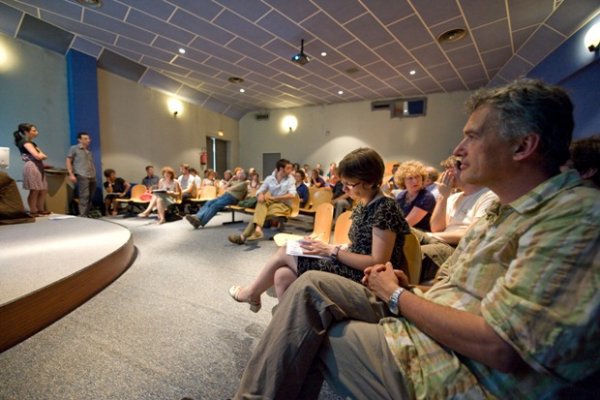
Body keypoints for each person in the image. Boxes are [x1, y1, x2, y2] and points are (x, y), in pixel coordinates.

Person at [231, 79, 599, 399]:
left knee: (297, 326)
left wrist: (396, 294)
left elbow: (501, 347)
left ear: (522, 147)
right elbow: (452, 286)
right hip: (425, 325)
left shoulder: (577, 216)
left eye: (472, 136)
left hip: (453, 372)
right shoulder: (499, 211)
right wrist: (409, 290)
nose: (458, 150)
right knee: (303, 292)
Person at [228, 148, 410, 312]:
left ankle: (252, 293)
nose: (345, 188)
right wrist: (328, 247)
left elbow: (377, 261)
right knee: (282, 275)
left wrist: (332, 250)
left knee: (286, 251)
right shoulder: (365, 203)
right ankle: (287, 326)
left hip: (366, 278)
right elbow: (359, 245)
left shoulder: (384, 208)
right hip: (352, 266)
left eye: (349, 184)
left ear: (369, 182)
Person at [414, 155, 497, 282]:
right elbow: (437, 228)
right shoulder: (453, 197)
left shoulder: (488, 195)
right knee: (404, 232)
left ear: (465, 170)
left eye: (450, 170)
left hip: (456, 247)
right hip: (440, 240)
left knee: (415, 252)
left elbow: (471, 234)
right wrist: (443, 197)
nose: (445, 175)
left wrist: (432, 236)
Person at [228, 159, 296, 244]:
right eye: (288, 168)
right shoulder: (270, 179)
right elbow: (260, 190)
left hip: (284, 205)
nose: (291, 171)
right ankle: (257, 230)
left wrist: (275, 198)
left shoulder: (290, 179)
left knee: (259, 213)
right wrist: (260, 195)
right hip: (271, 202)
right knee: (261, 202)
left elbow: (292, 195)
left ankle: (244, 236)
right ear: (281, 169)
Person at [13, 123, 49, 216]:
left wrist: (41, 156)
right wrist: (41, 156)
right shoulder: (25, 142)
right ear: (26, 132)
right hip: (32, 166)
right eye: (33, 131)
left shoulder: (32, 143)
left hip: (38, 165)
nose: (36, 132)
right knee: (35, 189)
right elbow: (38, 155)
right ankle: (33, 210)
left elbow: (43, 155)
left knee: (43, 189)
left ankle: (40, 209)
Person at [394, 160, 436, 231]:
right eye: (410, 178)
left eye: (417, 177)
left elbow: (407, 224)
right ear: (403, 181)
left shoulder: (426, 197)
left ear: (422, 178)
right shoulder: (401, 195)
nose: (415, 181)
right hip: (403, 233)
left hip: (420, 236)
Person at [66, 132, 96, 217]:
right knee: (84, 195)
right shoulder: (74, 148)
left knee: (91, 195)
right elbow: (68, 160)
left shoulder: (88, 151)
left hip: (91, 174)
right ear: (79, 140)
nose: (88, 140)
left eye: (88, 138)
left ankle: (87, 213)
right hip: (82, 174)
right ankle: (82, 215)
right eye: (85, 139)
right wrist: (70, 174)